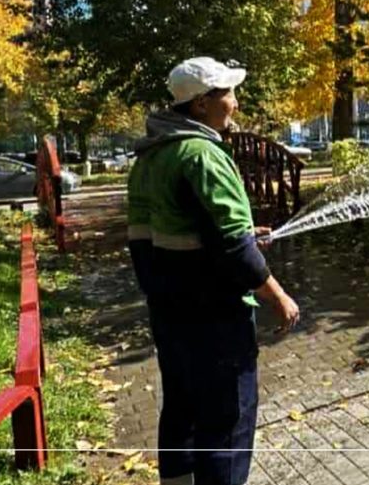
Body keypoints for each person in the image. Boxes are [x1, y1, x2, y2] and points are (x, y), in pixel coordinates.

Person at [126, 56, 300, 485]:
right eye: (229, 94)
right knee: (226, 424)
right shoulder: (203, 155)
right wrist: (277, 295)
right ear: (201, 104)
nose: (236, 103)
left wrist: (239, 236)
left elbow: (165, 232)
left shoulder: (151, 158)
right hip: (215, 318)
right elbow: (233, 247)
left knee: (181, 410)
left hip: (169, 311)